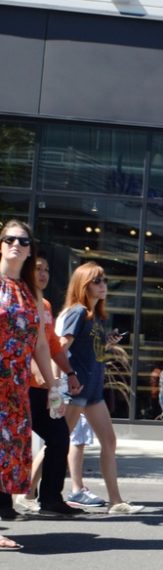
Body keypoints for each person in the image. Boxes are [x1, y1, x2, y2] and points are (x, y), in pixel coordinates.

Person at [58, 262, 142, 515]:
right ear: (84, 285)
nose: (103, 285)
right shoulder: (78, 312)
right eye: (97, 281)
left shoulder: (94, 316)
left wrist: (106, 343)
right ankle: (27, 492)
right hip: (77, 389)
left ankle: (116, 501)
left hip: (91, 390)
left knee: (109, 440)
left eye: (104, 280)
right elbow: (61, 346)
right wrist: (61, 379)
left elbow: (85, 349)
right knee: (58, 441)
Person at [0, 220, 61, 543]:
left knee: (8, 452)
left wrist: (52, 385)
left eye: (23, 241)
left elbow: (40, 343)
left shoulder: (27, 292)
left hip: (15, 386)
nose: (16, 245)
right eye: (9, 239)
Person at [27, 252, 83, 517]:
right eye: (38, 268)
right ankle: (5, 503)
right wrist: (35, 371)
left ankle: (50, 498)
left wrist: (70, 374)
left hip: (43, 388)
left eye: (46, 268)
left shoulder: (46, 306)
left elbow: (50, 345)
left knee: (59, 436)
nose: (43, 274)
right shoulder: (16, 302)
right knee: (10, 444)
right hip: (17, 386)